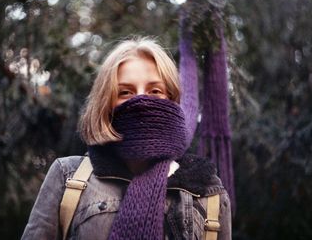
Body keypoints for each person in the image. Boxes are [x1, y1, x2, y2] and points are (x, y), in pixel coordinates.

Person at [21, 37, 232, 240]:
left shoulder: (208, 192)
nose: (141, 99)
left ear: (171, 98)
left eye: (154, 90)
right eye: (125, 92)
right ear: (107, 102)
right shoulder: (68, 177)